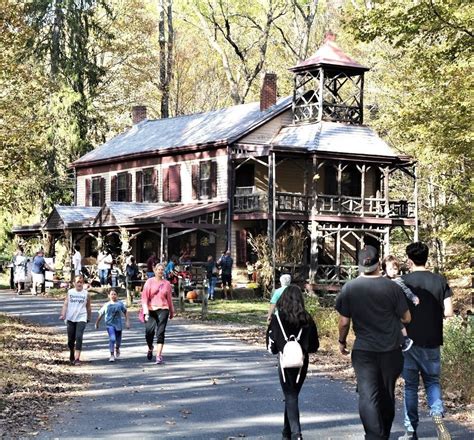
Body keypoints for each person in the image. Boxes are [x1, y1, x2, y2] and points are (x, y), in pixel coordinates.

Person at [335, 245, 411, 440]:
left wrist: (341, 342)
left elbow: (344, 322)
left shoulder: (350, 288)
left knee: (368, 395)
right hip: (391, 349)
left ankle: (373, 435)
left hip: (364, 351)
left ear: (359, 265)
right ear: (379, 264)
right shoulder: (392, 287)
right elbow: (407, 318)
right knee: (387, 393)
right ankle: (384, 433)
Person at [398, 242, 454, 440]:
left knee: (411, 386)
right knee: (432, 382)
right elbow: (448, 312)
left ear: (409, 260)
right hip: (432, 340)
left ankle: (411, 430)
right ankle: (437, 414)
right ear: (427, 258)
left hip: (408, 342)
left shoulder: (402, 282)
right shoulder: (440, 281)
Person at [266, 285, 319, 440]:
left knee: (290, 395)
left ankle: (296, 434)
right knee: (292, 395)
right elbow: (314, 345)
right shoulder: (307, 318)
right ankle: (286, 433)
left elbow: (271, 347)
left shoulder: (277, 318)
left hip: (285, 361)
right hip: (302, 362)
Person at [382, 255, 419, 352]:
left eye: (395, 269)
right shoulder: (381, 280)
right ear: (384, 269)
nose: (393, 271)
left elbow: (407, 291)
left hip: (395, 307)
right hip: (384, 306)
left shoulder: (398, 281)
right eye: (390, 269)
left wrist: (413, 297)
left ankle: (405, 339)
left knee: (397, 321)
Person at [141, 263, 174, 364]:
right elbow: (144, 298)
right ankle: (150, 347)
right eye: (158, 269)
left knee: (160, 333)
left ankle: (159, 355)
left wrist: (172, 311)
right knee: (149, 332)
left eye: (162, 269)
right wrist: (145, 311)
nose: (160, 271)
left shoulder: (167, 284)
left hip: (163, 309)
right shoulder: (149, 282)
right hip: (151, 309)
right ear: (155, 271)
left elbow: (169, 299)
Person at [59, 275, 92, 365]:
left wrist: (89, 317)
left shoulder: (86, 294)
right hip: (70, 318)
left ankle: (77, 358)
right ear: (74, 283)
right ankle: (72, 353)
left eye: (81, 282)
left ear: (83, 283)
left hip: (81, 317)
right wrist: (63, 314)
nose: (79, 283)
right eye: (77, 281)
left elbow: (88, 307)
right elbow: (66, 304)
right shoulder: (70, 292)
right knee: (70, 340)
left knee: (79, 336)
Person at [95, 290, 130, 362]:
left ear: (117, 296)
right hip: (109, 324)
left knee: (118, 341)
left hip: (118, 325)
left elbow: (125, 312)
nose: (113, 296)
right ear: (109, 296)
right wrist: (97, 323)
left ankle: (117, 348)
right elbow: (100, 314)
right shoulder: (106, 305)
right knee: (112, 339)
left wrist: (127, 322)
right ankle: (111, 354)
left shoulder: (120, 304)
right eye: (112, 294)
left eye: (115, 294)